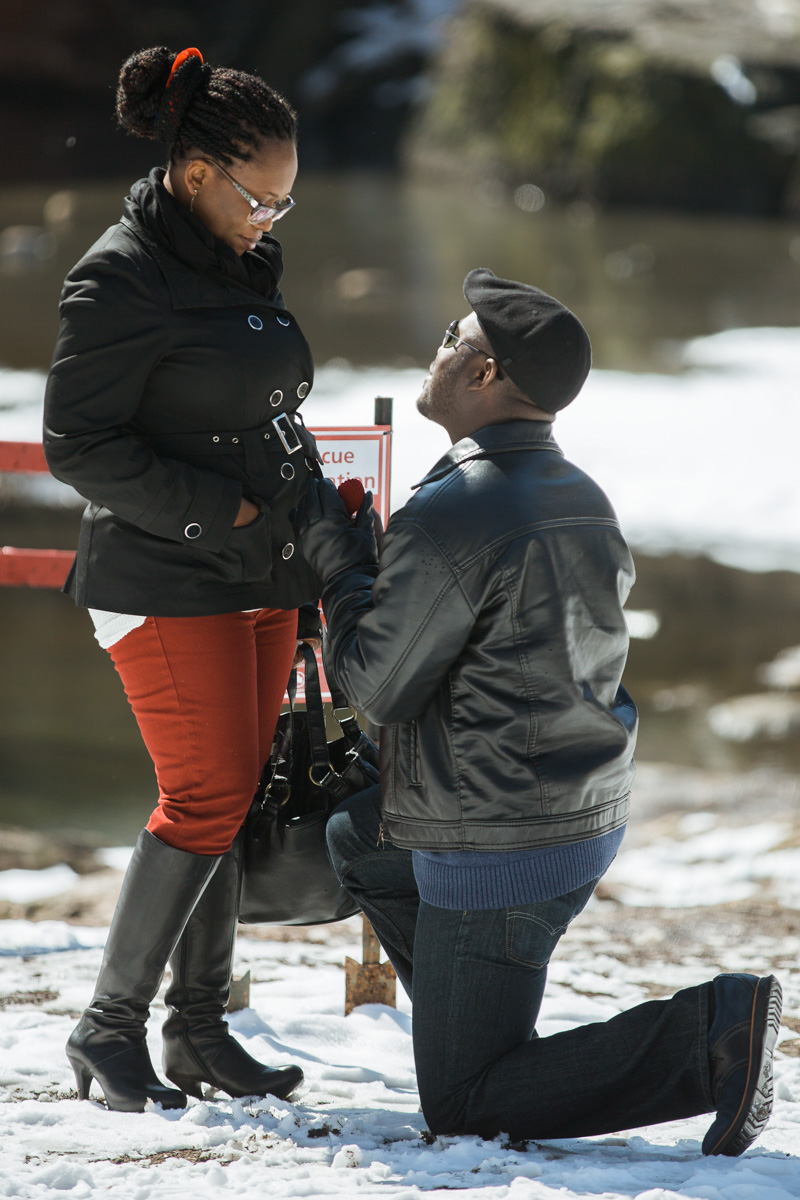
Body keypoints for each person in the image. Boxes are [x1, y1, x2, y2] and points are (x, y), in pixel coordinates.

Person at [298, 269, 782, 1157]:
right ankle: (467, 1009)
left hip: (501, 846)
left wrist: (340, 567)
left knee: (464, 1103)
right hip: (577, 808)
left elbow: (372, 688)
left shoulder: (454, 511)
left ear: (484, 375)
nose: (438, 346)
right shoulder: (578, 493)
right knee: (361, 837)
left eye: (452, 336)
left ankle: (711, 1033)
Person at [43, 46, 324, 1112]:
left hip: (253, 571)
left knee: (232, 794)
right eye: (260, 198)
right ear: (196, 171)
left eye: (287, 206)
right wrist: (231, 514)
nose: (270, 220)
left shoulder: (235, 257)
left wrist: (293, 538)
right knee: (201, 793)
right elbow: (78, 444)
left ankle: (199, 1031)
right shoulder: (116, 277)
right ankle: (104, 1032)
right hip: (163, 572)